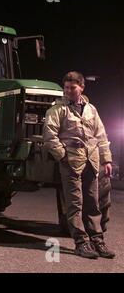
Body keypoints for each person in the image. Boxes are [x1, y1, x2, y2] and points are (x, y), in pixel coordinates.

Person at [43, 71, 115, 259]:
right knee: (75, 204)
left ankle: (97, 240)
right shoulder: (57, 110)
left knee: (92, 203)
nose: (68, 91)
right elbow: (50, 136)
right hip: (71, 163)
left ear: (81, 87)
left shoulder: (91, 109)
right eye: (66, 87)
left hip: (91, 162)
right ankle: (81, 243)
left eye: (72, 87)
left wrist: (106, 159)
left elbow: (101, 135)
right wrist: (63, 156)